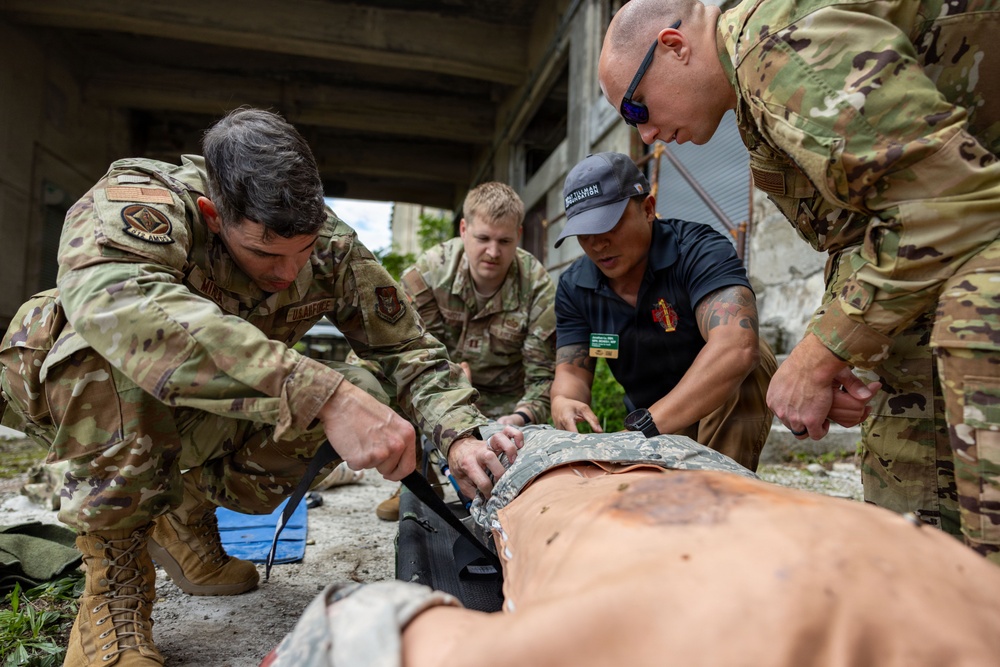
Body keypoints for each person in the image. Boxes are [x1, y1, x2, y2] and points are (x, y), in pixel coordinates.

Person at [0, 107, 523, 667]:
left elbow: (405, 349)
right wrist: (322, 393)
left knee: (367, 385)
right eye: (265, 253)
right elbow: (121, 308)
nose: (287, 273)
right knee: (108, 353)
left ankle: (184, 515)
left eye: (303, 252)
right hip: (68, 395)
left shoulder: (331, 246)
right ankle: (113, 587)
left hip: (203, 413)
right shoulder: (145, 204)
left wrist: (460, 435)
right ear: (214, 215)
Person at [597, 0, 1000, 563]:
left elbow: (943, 206)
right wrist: (837, 352)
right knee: (907, 519)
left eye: (637, 107)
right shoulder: (751, 96)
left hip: (974, 243)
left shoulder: (777, 51)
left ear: (674, 47)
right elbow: (864, 231)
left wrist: (817, 356)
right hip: (954, 241)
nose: (645, 134)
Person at [261, 423, 1000, 667]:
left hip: (584, 483)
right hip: (634, 480)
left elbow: (350, 632)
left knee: (498, 447)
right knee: (499, 444)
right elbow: (358, 631)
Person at [551, 151, 777, 471]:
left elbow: (736, 348)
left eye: (608, 225)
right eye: (583, 233)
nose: (597, 243)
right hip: (647, 427)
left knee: (753, 359)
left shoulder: (699, 250)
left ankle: (719, 490)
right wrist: (564, 401)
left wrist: (641, 432)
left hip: (709, 408)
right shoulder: (575, 286)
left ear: (648, 209)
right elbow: (571, 373)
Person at [363, 181, 556, 519]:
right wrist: (452, 383)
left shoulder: (538, 288)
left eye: (504, 241)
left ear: (519, 236)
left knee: (515, 498)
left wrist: (520, 417)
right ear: (464, 229)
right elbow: (406, 354)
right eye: (483, 238)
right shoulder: (428, 274)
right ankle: (416, 477)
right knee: (378, 377)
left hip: (505, 405)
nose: (493, 252)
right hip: (440, 387)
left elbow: (543, 379)